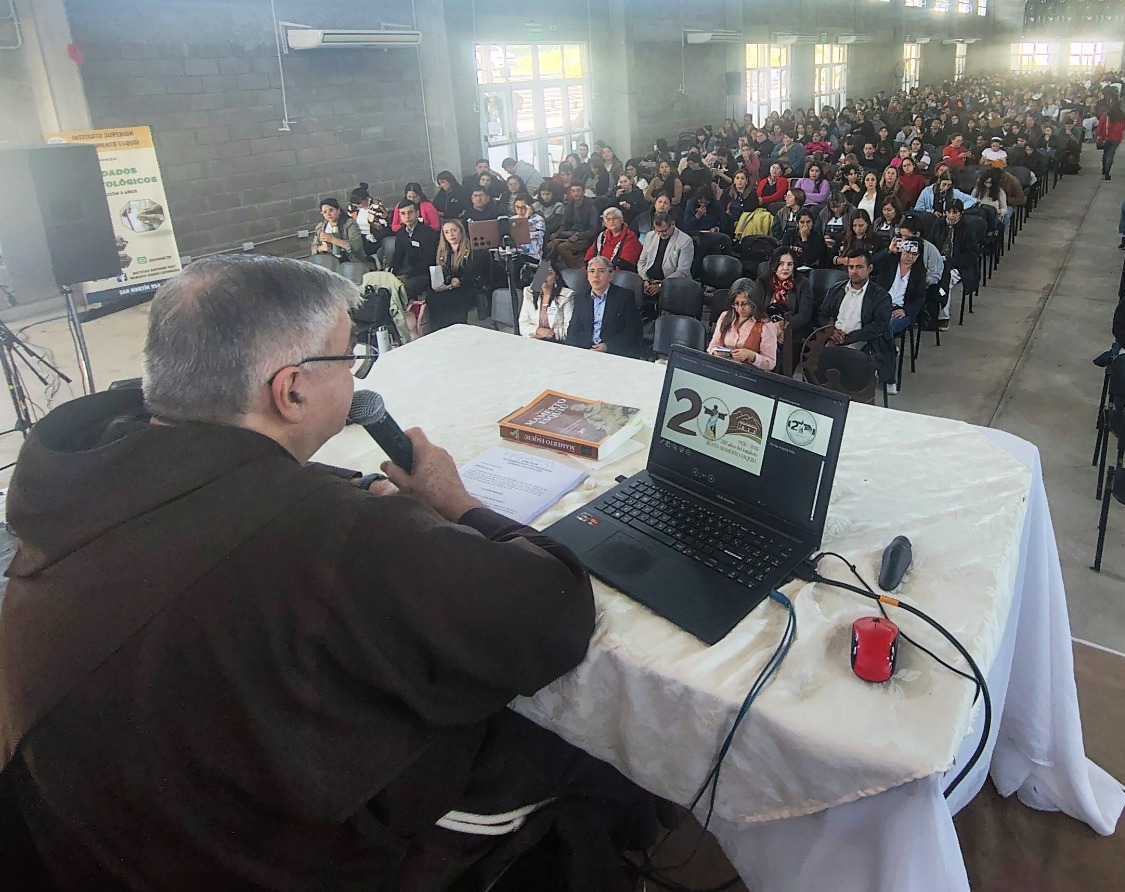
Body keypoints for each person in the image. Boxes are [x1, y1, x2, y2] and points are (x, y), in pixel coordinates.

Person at [0, 255, 656, 890]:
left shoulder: (77, 471)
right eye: (349, 357)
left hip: (85, 832)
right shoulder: (335, 531)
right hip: (265, 857)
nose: (357, 375)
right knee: (573, 750)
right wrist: (453, 501)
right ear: (291, 390)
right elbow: (555, 609)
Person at [815, 249, 896, 390]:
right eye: (851, 267)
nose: (854, 271)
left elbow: (878, 326)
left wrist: (848, 338)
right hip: (833, 338)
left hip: (863, 342)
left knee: (847, 365)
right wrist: (830, 330)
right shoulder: (836, 289)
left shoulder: (881, 296)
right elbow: (822, 314)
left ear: (869, 268)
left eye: (859, 267)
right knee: (815, 364)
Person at [564, 256, 643, 358]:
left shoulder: (625, 297)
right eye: (591, 271)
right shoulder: (580, 298)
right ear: (587, 277)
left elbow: (633, 330)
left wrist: (608, 347)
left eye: (601, 271)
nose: (595, 276)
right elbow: (573, 330)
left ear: (610, 276)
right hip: (586, 352)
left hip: (614, 353)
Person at [429, 219, 489, 331]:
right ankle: (438, 330)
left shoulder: (472, 250)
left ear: (461, 231)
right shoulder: (442, 251)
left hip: (468, 285)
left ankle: (456, 328)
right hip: (450, 284)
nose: (451, 234)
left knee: (451, 297)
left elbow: (471, 273)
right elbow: (444, 271)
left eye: (454, 230)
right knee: (432, 296)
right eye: (446, 232)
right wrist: (446, 283)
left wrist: (454, 282)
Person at [872, 225, 929, 342]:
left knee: (885, 328)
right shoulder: (889, 261)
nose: (910, 256)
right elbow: (872, 266)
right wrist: (888, 251)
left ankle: (883, 353)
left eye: (914, 254)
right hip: (881, 304)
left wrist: (906, 310)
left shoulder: (919, 273)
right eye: (907, 252)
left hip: (900, 309)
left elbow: (920, 298)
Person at [707, 278, 778, 371]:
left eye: (744, 304)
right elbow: (712, 346)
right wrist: (715, 352)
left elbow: (770, 363)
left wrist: (751, 356)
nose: (740, 309)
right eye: (736, 304)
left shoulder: (766, 326)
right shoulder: (725, 317)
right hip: (723, 370)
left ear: (754, 303)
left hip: (749, 376)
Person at [388, 199, 440, 302]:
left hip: (428, 272)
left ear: (417, 213)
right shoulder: (401, 233)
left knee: (406, 287)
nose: (407, 216)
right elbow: (398, 256)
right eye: (403, 213)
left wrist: (407, 276)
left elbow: (429, 260)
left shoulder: (428, 232)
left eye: (410, 212)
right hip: (411, 272)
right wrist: (392, 273)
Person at [759, 245, 816, 340]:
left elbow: (804, 315)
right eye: (781, 264)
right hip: (765, 327)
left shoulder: (803, 284)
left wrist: (783, 326)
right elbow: (757, 309)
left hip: (793, 330)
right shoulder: (763, 281)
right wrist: (769, 327)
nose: (786, 268)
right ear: (774, 264)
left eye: (790, 264)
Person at [638, 211, 694, 300]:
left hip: (673, 283)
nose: (661, 234)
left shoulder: (685, 241)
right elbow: (642, 261)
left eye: (664, 231)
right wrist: (645, 280)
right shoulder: (650, 236)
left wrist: (661, 285)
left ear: (673, 225)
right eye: (657, 231)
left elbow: (683, 271)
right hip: (649, 280)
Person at [548, 183, 600, 272]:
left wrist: (578, 236)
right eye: (573, 191)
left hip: (585, 237)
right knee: (550, 245)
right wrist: (558, 233)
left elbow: (593, 229)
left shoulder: (591, 206)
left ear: (583, 191)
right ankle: (552, 270)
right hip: (569, 234)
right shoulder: (570, 205)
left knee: (562, 247)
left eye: (578, 190)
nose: (576, 193)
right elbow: (565, 224)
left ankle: (577, 270)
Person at [520, 267, 574, 342]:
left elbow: (569, 329)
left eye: (549, 273)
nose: (544, 277)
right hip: (533, 339)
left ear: (556, 277)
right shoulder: (529, 292)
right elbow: (523, 324)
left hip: (558, 343)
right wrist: (538, 330)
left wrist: (548, 334)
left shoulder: (567, 295)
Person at [585, 207, 643, 273]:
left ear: (621, 220)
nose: (611, 221)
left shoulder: (630, 236)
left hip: (618, 272)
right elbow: (590, 255)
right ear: (605, 223)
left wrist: (606, 271)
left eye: (615, 218)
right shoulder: (602, 236)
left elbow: (626, 262)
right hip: (599, 269)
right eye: (608, 219)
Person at [311, 198, 366, 265]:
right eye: (325, 212)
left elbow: (356, 245)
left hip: (349, 260)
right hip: (328, 261)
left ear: (338, 210)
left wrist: (333, 240)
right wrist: (320, 248)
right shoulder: (321, 227)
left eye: (331, 210)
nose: (328, 214)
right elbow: (314, 247)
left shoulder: (349, 223)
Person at [347, 184, 390, 259]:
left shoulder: (377, 207)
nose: (357, 206)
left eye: (359, 203)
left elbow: (384, 225)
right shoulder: (353, 207)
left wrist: (375, 224)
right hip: (359, 236)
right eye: (355, 204)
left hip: (376, 237)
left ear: (367, 199)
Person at [1097, 104, 1125, 180]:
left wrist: (1099, 136)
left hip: (1106, 137)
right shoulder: (1122, 116)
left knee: (1105, 153)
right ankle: (1107, 171)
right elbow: (1124, 127)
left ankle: (1104, 170)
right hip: (1117, 138)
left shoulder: (1106, 116)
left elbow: (1100, 126)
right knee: (1111, 154)